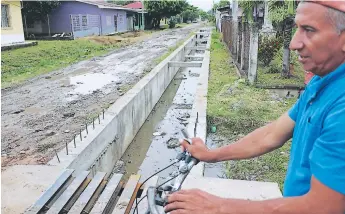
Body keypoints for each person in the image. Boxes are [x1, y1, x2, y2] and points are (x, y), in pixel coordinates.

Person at [165, 1, 345, 213]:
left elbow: (324, 207)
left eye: (309, 30)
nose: (294, 43)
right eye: (298, 28)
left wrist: (219, 207)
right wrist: (212, 154)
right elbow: (272, 134)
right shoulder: (322, 80)